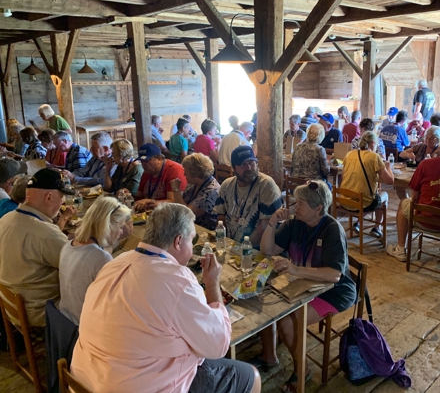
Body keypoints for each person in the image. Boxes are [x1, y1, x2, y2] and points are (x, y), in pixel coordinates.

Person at [70, 203, 261, 393]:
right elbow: (218, 345)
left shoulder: (115, 263)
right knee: (251, 375)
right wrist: (211, 284)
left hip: (84, 381)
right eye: (191, 241)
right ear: (178, 242)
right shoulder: (177, 280)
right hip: (133, 386)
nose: (192, 248)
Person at [257, 181, 356, 391]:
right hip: (304, 285)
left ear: (318, 208)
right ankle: (269, 355)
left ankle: (302, 371)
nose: (294, 206)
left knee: (288, 322)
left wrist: (295, 269)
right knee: (265, 303)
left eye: (300, 203)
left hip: (334, 292)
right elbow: (268, 250)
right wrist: (273, 223)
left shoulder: (331, 229)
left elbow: (335, 275)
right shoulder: (295, 223)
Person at [0, 168, 74, 326]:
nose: (62, 202)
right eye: (62, 197)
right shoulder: (46, 234)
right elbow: (78, 265)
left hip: (11, 305)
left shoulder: (6, 219)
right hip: (38, 313)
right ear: (49, 197)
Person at [387, 132, 440, 262]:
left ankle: (401, 249)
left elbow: (414, 196)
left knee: (403, 203)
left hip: (425, 220)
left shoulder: (426, 164)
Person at [59, 197, 130, 325]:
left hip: (64, 322)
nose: (120, 232)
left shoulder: (69, 245)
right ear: (107, 225)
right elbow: (114, 304)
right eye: (119, 226)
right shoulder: (101, 258)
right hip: (82, 328)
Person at [214, 146, 282, 246]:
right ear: (233, 168)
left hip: (256, 248)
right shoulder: (227, 185)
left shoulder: (266, 185)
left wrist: (243, 247)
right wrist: (223, 241)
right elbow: (221, 216)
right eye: (243, 164)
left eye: (251, 162)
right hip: (231, 244)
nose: (249, 168)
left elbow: (266, 225)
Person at [340, 132, 394, 238]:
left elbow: (343, 175)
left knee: (371, 195)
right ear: (373, 143)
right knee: (384, 196)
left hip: (344, 200)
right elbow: (390, 181)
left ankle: (358, 223)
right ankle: (377, 228)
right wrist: (388, 167)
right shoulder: (374, 157)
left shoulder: (349, 154)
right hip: (362, 203)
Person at [171, 153, 220, 230]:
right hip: (189, 227)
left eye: (186, 171)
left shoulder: (211, 191)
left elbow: (186, 215)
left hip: (205, 232)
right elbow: (180, 206)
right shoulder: (193, 184)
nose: (184, 174)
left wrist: (176, 190)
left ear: (194, 172)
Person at [133, 144, 187, 212]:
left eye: (147, 160)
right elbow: (139, 196)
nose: (143, 164)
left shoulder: (174, 170)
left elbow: (174, 202)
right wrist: (129, 196)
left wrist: (153, 202)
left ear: (159, 159)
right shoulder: (147, 172)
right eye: (141, 161)